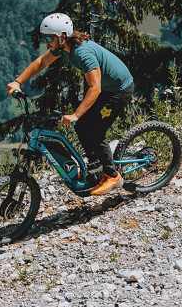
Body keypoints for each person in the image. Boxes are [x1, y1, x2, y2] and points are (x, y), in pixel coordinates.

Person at [7, 13, 135, 195]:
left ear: (62, 36)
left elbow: (95, 88)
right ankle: (95, 164)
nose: (46, 42)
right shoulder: (62, 46)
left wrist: (75, 114)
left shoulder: (82, 54)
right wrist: (18, 81)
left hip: (119, 89)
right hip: (107, 88)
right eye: (45, 38)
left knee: (95, 132)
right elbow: (41, 62)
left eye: (49, 38)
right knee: (81, 125)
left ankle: (112, 175)